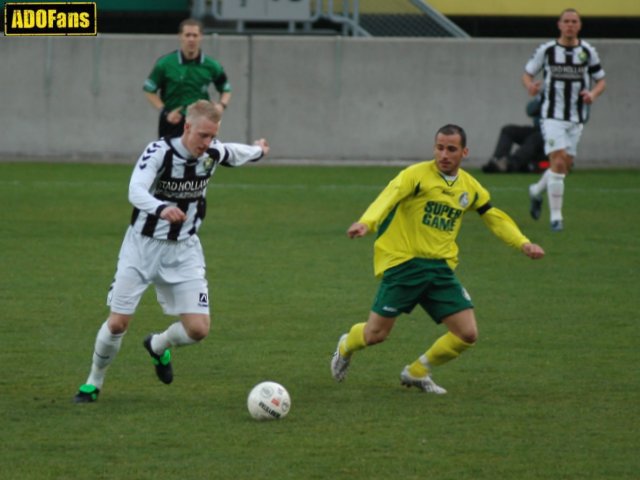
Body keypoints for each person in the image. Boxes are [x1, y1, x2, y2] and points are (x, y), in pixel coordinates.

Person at [74, 100, 269, 403]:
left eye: (212, 136)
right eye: (203, 135)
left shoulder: (213, 152)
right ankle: (93, 382)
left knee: (199, 330)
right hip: (142, 248)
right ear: (187, 127)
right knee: (117, 323)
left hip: (185, 251)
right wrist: (161, 207)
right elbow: (135, 190)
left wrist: (259, 150)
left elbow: (236, 152)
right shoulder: (159, 152)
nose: (208, 143)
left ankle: (158, 345)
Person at [330, 124, 545, 394]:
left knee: (467, 334)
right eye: (439, 148)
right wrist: (367, 222)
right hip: (404, 264)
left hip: (440, 269)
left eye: (451, 149)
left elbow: (493, 217)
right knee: (375, 335)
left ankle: (417, 372)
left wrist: (523, 243)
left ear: (464, 152)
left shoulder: (470, 187)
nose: (444, 154)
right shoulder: (416, 176)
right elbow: (388, 196)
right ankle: (345, 345)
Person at [522, 8, 606, 232]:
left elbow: (600, 80)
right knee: (557, 162)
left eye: (574, 21)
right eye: (566, 21)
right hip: (551, 116)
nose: (570, 25)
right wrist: (530, 85)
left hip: (576, 118)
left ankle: (535, 191)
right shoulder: (547, 50)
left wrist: (593, 95)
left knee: (564, 167)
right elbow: (527, 73)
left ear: (579, 26)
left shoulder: (587, 51)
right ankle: (556, 218)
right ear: (559, 25)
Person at [143, 18, 232, 139]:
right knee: (170, 157)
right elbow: (149, 90)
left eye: (195, 35)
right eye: (187, 35)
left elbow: (226, 88)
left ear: (201, 37)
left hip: (200, 121)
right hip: (173, 120)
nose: (191, 39)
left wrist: (221, 105)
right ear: (180, 36)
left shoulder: (212, 65)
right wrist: (165, 111)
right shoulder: (165, 63)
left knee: (205, 157)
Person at [481, 95, 546, 174]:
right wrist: (541, 98)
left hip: (552, 135)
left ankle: (509, 164)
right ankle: (497, 160)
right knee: (508, 130)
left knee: (536, 137)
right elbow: (530, 110)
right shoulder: (545, 92)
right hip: (538, 129)